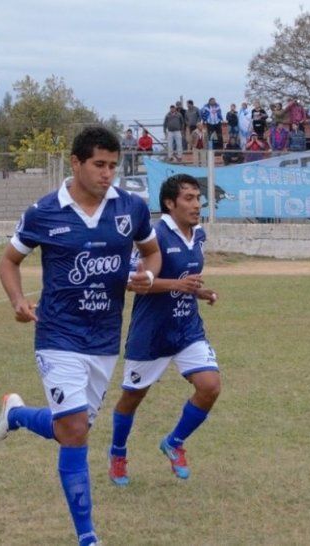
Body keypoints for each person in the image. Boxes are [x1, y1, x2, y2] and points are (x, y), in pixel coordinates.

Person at [0, 126, 161, 546]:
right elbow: (9, 262)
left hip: (104, 338)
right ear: (76, 163)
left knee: (70, 429)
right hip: (58, 334)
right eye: (99, 165)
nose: (107, 174)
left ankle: (15, 415)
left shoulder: (131, 208)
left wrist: (147, 275)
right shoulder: (44, 212)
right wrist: (17, 300)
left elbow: (151, 251)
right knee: (76, 431)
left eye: (113, 166)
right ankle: (87, 537)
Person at [107, 174, 220, 486]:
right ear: (170, 204)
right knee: (132, 398)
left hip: (186, 328)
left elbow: (186, 279)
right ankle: (117, 453)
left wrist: (200, 292)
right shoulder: (154, 236)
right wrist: (176, 284)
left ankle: (174, 443)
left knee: (210, 386)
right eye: (189, 198)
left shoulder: (198, 235)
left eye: (198, 198)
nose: (196, 205)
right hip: (151, 332)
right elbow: (132, 281)